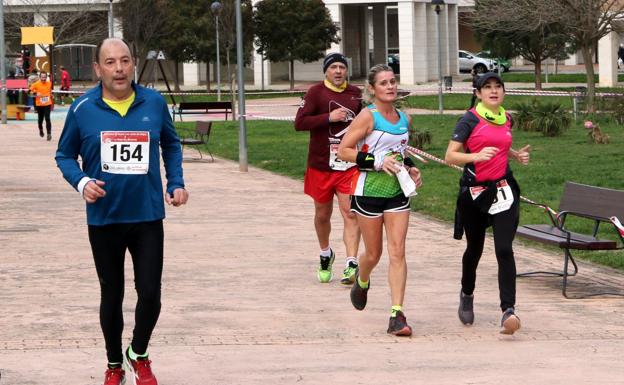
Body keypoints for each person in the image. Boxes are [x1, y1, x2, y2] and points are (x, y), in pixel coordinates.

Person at [55, 38, 188, 385]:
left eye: (125, 61)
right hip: (105, 218)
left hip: (146, 215)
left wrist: (175, 181)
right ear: (98, 69)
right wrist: (82, 182)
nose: (119, 69)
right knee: (111, 294)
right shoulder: (83, 108)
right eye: (110, 62)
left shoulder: (154, 103)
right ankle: (114, 363)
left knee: (150, 293)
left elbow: (172, 144)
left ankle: (138, 353)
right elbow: (64, 155)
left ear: (132, 65)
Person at [337, 64, 423, 336]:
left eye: (393, 81)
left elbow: (399, 150)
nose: (390, 86)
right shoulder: (367, 116)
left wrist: (410, 167)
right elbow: (344, 151)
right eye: (384, 83)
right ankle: (362, 279)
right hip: (368, 192)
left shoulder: (404, 119)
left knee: (398, 251)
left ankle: (397, 314)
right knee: (374, 254)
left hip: (397, 193)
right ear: (372, 89)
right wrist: (376, 162)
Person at [444, 72, 530, 335]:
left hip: (504, 190)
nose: (493, 91)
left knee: (504, 249)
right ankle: (467, 293)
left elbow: (500, 146)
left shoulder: (507, 118)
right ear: (478, 93)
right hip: (475, 194)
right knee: (475, 250)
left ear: (503, 92)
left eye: (498, 87)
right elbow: (450, 156)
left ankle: (508, 311)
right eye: (487, 87)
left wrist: (514, 155)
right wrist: (477, 156)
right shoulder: (469, 119)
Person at [294, 52, 363, 285]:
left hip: (348, 165)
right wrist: (328, 118)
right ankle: (326, 254)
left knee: (351, 213)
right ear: (325, 71)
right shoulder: (315, 93)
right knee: (323, 215)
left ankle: (351, 263)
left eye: (341, 67)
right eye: (333, 67)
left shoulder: (356, 93)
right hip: (321, 165)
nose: (338, 71)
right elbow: (300, 123)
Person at [29, 71, 53, 141]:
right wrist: (36, 93)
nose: (43, 78)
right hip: (39, 104)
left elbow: (49, 91)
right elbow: (28, 92)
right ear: (40, 77)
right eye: (42, 77)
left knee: (47, 118)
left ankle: (49, 134)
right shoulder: (36, 84)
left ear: (46, 77)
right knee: (40, 119)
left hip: (47, 103)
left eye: (45, 77)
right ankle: (41, 129)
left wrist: (51, 94)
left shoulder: (49, 83)